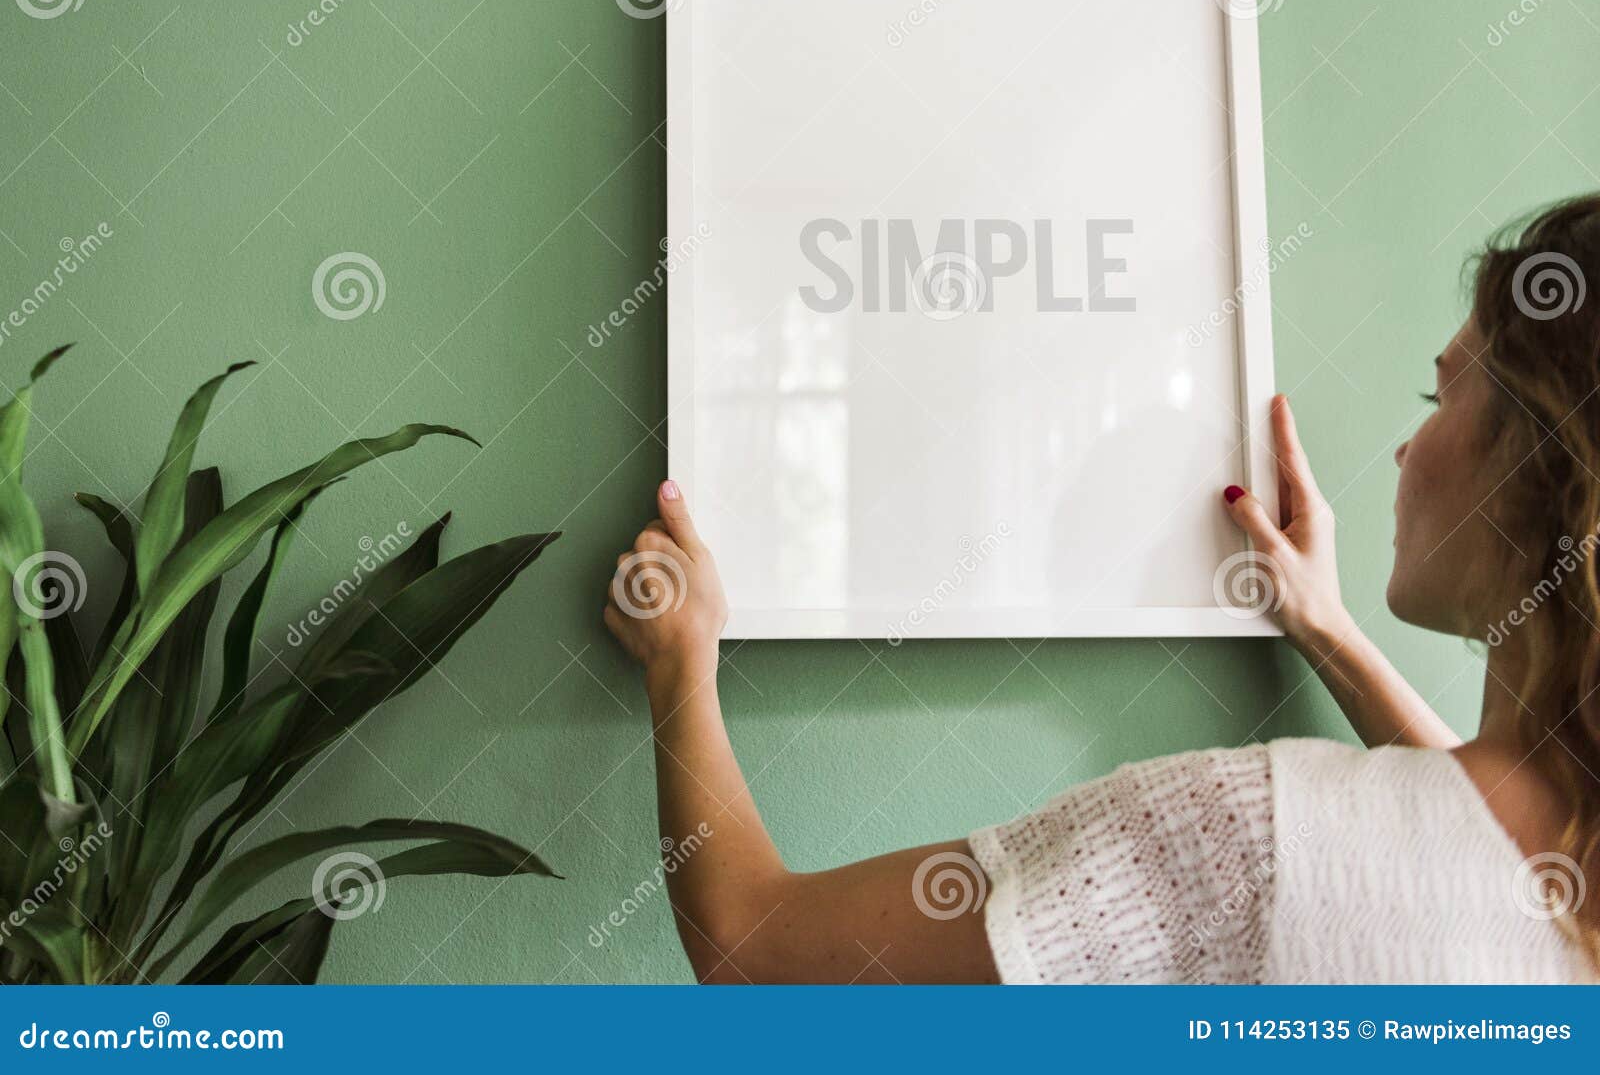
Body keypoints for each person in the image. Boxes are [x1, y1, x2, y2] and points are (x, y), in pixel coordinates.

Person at [603, 193, 1600, 984]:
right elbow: (1466, 857)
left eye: (1442, 393)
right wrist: (1328, 630)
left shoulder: (1248, 835)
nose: (1403, 443)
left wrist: (679, 660)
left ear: (1537, 461)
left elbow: (756, 950)